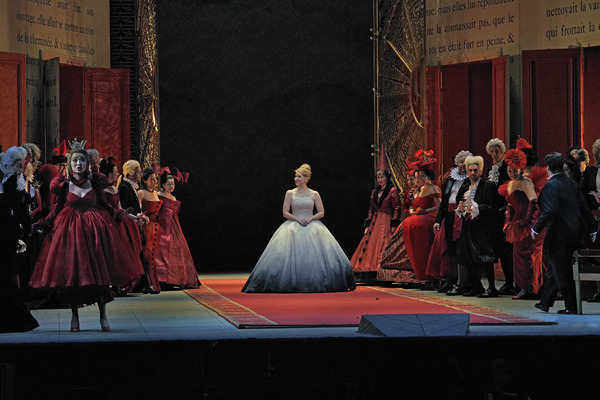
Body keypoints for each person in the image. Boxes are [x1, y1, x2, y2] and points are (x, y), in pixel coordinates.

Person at [29, 139, 144, 332]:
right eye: (75, 161)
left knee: (99, 274)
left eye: (82, 160)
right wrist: (42, 222)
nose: (78, 164)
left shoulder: (95, 183)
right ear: (69, 164)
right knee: (74, 276)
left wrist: (119, 214)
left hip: (94, 229)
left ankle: (103, 317)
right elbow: (56, 210)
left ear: (87, 163)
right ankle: (74, 318)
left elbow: (106, 205)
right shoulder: (64, 185)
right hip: (71, 230)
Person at [242, 164, 355, 292]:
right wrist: (297, 219)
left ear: (307, 179)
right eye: (295, 176)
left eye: (299, 177)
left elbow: (321, 212)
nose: (296, 179)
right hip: (293, 225)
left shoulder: (314, 194)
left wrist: (310, 218)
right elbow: (285, 212)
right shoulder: (290, 193)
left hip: (312, 224)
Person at [533, 152, 597, 314]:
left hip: (559, 234)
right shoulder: (572, 184)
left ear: (547, 168)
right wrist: (591, 230)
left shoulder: (550, 186)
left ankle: (571, 306)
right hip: (575, 232)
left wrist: (536, 228)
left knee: (561, 270)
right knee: (556, 268)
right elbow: (584, 208)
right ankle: (545, 302)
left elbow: (549, 211)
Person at [0, 146, 39, 332]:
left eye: (21, 165)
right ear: (6, 165)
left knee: (9, 271)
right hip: (6, 232)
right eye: (16, 165)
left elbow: (21, 212)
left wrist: (25, 229)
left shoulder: (15, 183)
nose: (19, 168)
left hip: (9, 233)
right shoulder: (10, 183)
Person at [500, 149, 545, 300]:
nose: (512, 173)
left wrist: (526, 222)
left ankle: (530, 288)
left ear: (520, 169)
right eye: (509, 171)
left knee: (528, 255)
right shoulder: (510, 184)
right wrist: (508, 222)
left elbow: (533, 202)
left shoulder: (526, 182)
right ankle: (522, 287)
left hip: (530, 220)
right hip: (517, 222)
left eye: (514, 170)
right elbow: (510, 206)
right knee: (517, 255)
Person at [455, 155, 501, 297]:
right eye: (470, 170)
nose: (472, 173)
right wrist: (461, 208)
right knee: (469, 257)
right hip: (468, 226)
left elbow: (493, 207)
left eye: (475, 170)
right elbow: (460, 202)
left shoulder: (488, 185)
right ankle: (477, 286)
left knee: (485, 258)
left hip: (483, 227)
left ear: (481, 171)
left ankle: (492, 288)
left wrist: (477, 207)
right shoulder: (465, 186)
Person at [428, 150, 471, 294]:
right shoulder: (450, 180)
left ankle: (462, 281)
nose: (463, 165)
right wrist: (438, 221)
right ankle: (451, 279)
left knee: (461, 249)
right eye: (460, 162)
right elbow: (444, 202)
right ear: (456, 163)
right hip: (449, 217)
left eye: (466, 163)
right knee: (450, 249)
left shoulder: (470, 180)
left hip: (463, 217)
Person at [100, 159, 146, 295]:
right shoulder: (103, 190)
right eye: (115, 172)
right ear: (109, 174)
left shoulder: (115, 188)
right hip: (107, 223)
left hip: (118, 222)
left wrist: (135, 217)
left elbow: (121, 209)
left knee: (120, 256)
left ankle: (118, 285)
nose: (118, 173)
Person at [350, 159, 400, 281]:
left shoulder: (392, 191)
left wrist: (394, 223)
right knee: (371, 244)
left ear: (386, 177)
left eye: (382, 176)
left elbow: (397, 207)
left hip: (386, 219)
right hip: (375, 220)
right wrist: (367, 223)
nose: (380, 179)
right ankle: (368, 270)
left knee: (383, 242)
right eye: (378, 177)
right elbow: (371, 209)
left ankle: (381, 271)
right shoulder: (375, 191)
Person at [156, 171, 201, 289]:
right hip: (163, 227)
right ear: (163, 185)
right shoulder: (159, 196)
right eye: (169, 184)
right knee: (164, 252)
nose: (172, 186)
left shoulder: (173, 197)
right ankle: (164, 279)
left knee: (178, 250)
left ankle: (178, 279)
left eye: (173, 184)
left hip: (174, 226)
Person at [403, 152, 441, 287]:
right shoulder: (418, 190)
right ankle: (422, 276)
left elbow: (439, 205)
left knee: (427, 251)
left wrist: (426, 211)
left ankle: (432, 277)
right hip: (417, 223)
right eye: (418, 177)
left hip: (429, 221)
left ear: (429, 176)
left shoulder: (433, 188)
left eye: (422, 177)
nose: (419, 179)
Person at [485, 138, 514, 296]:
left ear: (503, 152)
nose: (495, 154)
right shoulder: (490, 167)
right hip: (493, 213)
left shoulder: (507, 168)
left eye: (497, 151)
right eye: (492, 152)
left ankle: (510, 282)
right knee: (497, 247)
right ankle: (507, 282)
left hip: (505, 212)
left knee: (506, 250)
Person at [137, 167, 163, 293]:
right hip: (146, 227)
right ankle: (147, 283)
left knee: (152, 255)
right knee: (147, 255)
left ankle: (152, 283)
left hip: (156, 228)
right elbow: (138, 208)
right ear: (145, 181)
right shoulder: (141, 192)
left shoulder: (156, 193)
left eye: (155, 179)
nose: (154, 181)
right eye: (152, 179)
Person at [581, 139, 600, 303]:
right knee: (596, 252)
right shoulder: (591, 171)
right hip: (595, 216)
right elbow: (584, 193)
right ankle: (597, 290)